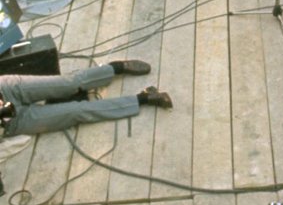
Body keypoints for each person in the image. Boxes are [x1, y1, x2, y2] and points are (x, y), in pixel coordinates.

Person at [0, 61, 172, 141]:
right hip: (11, 122)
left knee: (69, 84)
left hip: (6, 89)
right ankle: (143, 98)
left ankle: (115, 68)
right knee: (77, 111)